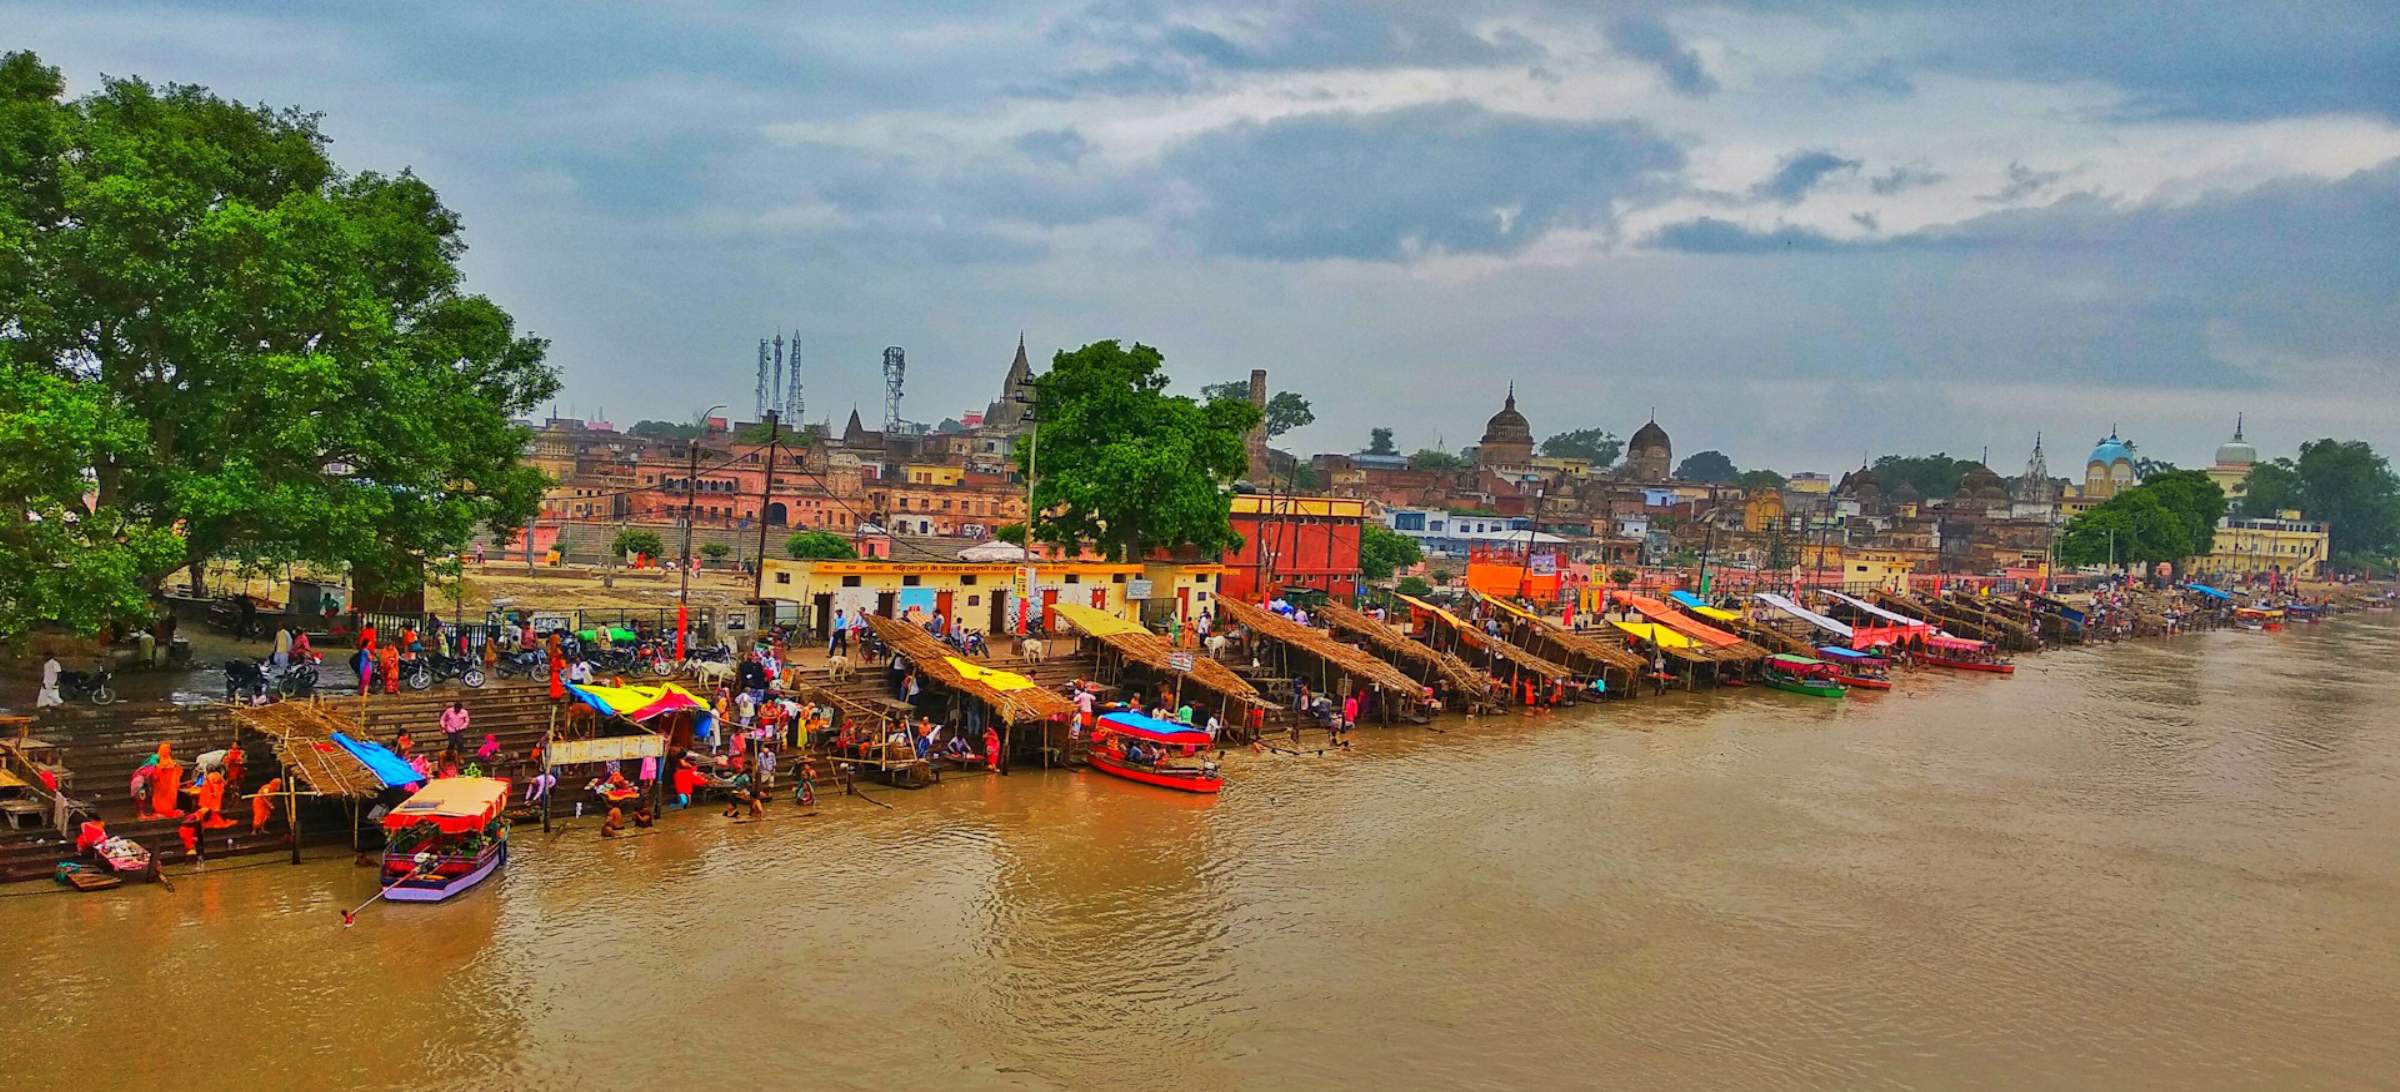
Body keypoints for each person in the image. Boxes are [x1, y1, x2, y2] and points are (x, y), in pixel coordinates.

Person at [147, 743, 183, 819]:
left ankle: (168, 809)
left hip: (169, 783)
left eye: (169, 749)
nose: (168, 750)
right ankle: (160, 810)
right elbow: (153, 768)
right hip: (160, 783)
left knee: (169, 797)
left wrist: (176, 767)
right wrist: (164, 768)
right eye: (166, 749)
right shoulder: (156, 758)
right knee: (160, 797)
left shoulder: (169, 758)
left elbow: (175, 768)